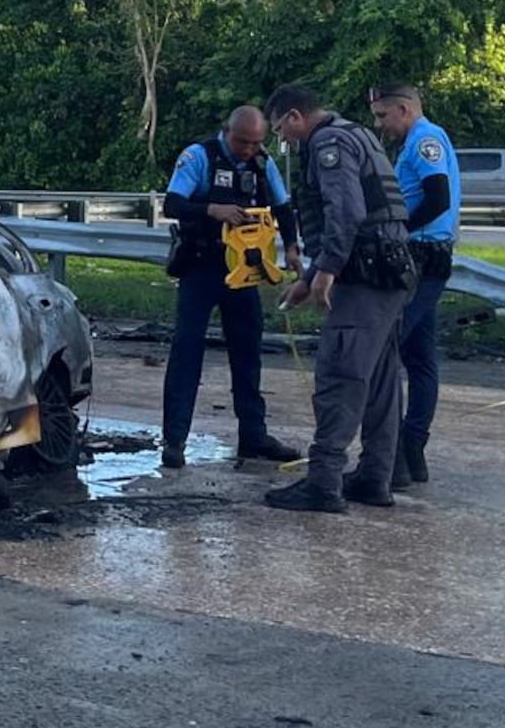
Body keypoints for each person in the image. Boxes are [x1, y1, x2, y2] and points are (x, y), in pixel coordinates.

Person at [262, 85, 416, 514]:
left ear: (295, 116)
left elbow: (346, 211)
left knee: (340, 374)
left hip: (364, 276)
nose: (283, 139)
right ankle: (374, 476)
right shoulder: (356, 133)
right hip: (389, 273)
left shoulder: (328, 142)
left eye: (280, 130)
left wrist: (326, 270)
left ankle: (324, 482)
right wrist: (310, 277)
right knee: (381, 381)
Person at [159, 106, 304, 470]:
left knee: (248, 353)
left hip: (244, 271)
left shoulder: (262, 162)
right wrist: (212, 209)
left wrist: (291, 246)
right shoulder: (200, 156)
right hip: (201, 267)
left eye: (256, 143)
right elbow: (173, 203)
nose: (249, 150)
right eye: (243, 142)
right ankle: (175, 440)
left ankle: (253, 437)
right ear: (227, 131)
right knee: (187, 351)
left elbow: (282, 207)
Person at [370, 84, 462, 492]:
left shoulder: (425, 139)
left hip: (422, 256)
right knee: (419, 356)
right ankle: (411, 450)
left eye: (383, 115)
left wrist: (399, 229)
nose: (380, 125)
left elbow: (438, 197)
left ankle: (393, 453)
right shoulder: (418, 140)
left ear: (404, 109)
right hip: (428, 255)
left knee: (386, 347)